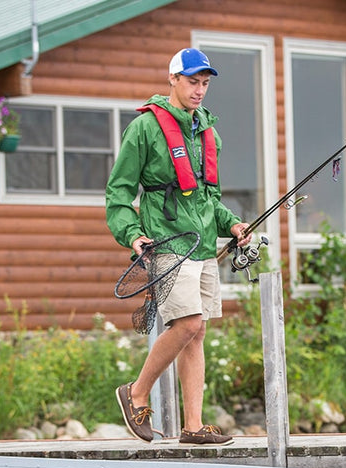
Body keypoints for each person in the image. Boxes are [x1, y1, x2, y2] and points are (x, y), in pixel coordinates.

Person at [106, 47, 252, 445]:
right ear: (173, 79)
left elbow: (208, 197)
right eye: (192, 82)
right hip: (166, 242)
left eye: (205, 83)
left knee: (198, 331)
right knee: (186, 323)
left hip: (204, 245)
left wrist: (232, 224)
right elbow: (118, 193)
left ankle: (192, 426)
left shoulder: (209, 132)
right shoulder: (144, 129)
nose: (199, 90)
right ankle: (135, 392)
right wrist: (132, 234)